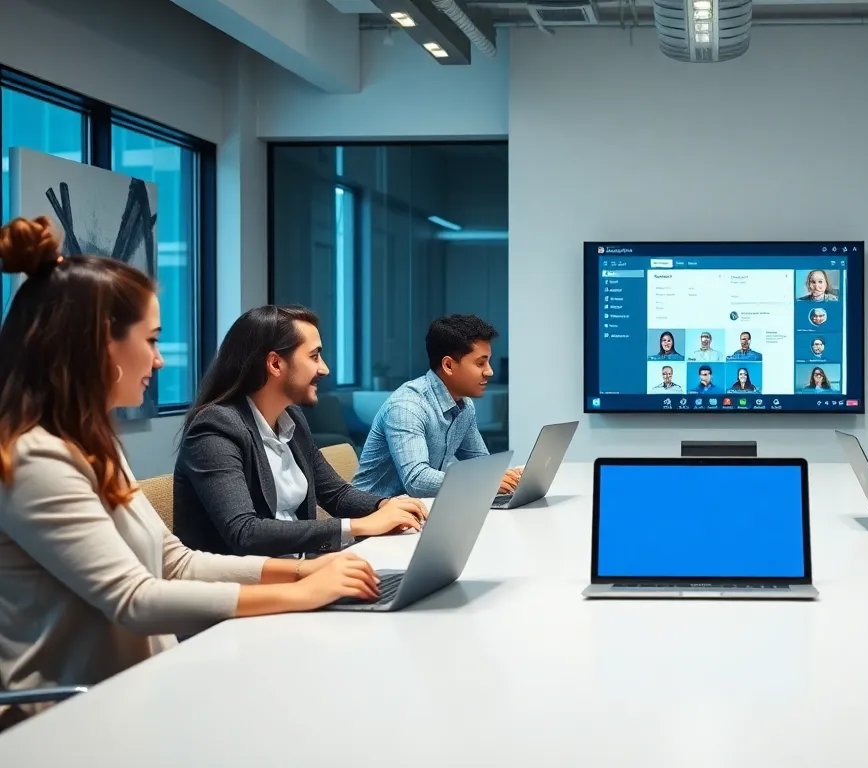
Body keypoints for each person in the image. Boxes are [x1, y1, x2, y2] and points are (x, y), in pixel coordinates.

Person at [0, 217, 379, 730]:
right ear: (100, 344)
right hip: (70, 719)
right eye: (151, 340)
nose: (158, 360)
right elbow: (135, 599)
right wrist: (299, 593)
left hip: (140, 687)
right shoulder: (33, 458)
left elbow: (173, 562)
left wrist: (302, 571)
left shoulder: (92, 445)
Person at [175, 307, 427, 557]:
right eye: (314, 356)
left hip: (299, 566)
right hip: (246, 579)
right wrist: (358, 526)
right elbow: (245, 532)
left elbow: (336, 494)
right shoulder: (214, 428)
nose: (324, 369)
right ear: (275, 364)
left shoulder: (292, 419)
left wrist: (386, 506)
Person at [354, 315, 520, 499]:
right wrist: (483, 481)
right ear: (448, 365)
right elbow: (417, 481)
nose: (490, 371)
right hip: (371, 511)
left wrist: (511, 476)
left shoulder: (464, 406)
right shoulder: (407, 406)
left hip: (417, 508)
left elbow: (482, 465)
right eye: (480, 363)